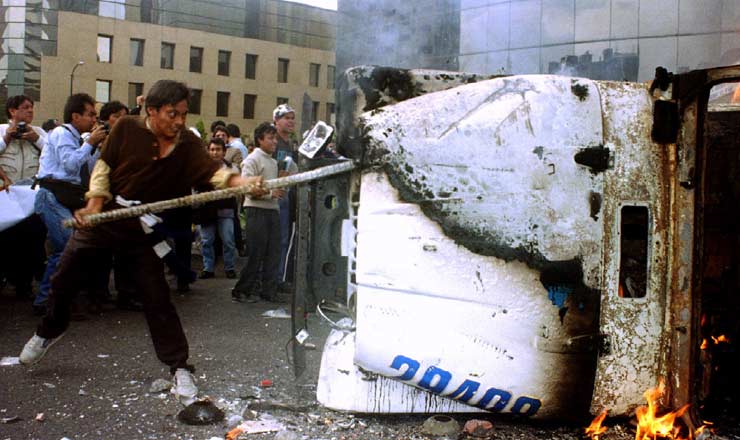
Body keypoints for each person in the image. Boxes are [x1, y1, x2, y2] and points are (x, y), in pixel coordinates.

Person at [19, 80, 265, 406]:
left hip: (139, 227)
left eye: (183, 114)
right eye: (171, 114)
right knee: (64, 276)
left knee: (156, 296)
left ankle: (179, 367)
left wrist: (244, 182)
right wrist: (93, 204)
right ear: (152, 111)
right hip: (105, 216)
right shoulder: (126, 129)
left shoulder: (188, 143)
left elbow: (215, 175)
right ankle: (49, 330)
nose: (178, 121)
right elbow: (103, 168)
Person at [32, 93, 106, 315]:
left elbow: (89, 168)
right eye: (91, 114)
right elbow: (71, 165)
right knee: (65, 248)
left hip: (64, 197)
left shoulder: (77, 138)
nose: (95, 119)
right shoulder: (62, 134)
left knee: (72, 249)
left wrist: (96, 147)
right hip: (52, 196)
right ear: (76, 116)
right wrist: (90, 142)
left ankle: (59, 299)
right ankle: (45, 300)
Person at [0, 95, 48, 301]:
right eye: (25, 107)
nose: (30, 111)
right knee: (7, 240)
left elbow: (51, 152)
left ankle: (24, 284)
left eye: (32, 107)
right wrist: (7, 138)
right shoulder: (1, 130)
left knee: (31, 241)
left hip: (30, 196)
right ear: (12, 111)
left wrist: (34, 139)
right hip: (6, 195)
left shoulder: (38, 132)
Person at [231, 122, 284, 303]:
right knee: (256, 253)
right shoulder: (252, 160)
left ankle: (268, 291)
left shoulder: (273, 161)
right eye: (270, 138)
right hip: (256, 211)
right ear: (260, 139)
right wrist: (271, 193)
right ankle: (241, 290)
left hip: (272, 211)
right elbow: (247, 189)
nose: (274, 141)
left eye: (275, 138)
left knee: (273, 253)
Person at [197, 138, 238, 279]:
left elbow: (236, 189)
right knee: (206, 240)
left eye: (218, 149)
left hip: (226, 210)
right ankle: (208, 268)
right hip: (207, 211)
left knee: (228, 240)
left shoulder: (232, 169)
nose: (215, 153)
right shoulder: (202, 169)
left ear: (224, 151)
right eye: (212, 149)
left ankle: (229, 267)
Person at [272, 104, 299, 292]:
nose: (290, 121)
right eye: (286, 118)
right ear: (276, 120)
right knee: (274, 239)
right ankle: (271, 279)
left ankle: (278, 277)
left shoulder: (290, 144)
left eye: (292, 118)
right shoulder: (272, 142)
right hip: (272, 195)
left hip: (286, 194)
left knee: (284, 239)